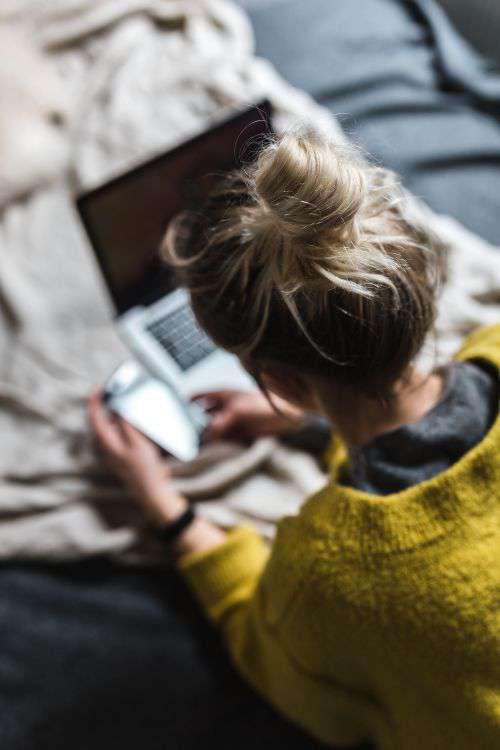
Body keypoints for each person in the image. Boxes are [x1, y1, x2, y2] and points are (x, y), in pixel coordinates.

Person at [89, 128, 500, 749]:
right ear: (419, 285)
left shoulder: (329, 573)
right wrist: (305, 417)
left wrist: (167, 513)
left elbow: (277, 661)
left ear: (278, 378)